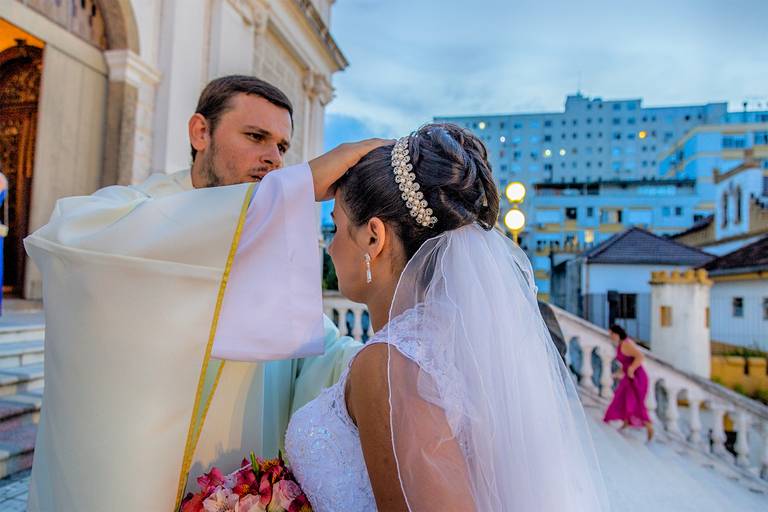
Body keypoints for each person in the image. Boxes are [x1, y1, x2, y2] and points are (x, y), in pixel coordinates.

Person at [24, 75, 383, 511]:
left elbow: (313, 349)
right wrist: (300, 184)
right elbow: (64, 237)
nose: (273, 159)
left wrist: (383, 360)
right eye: (256, 136)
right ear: (200, 132)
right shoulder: (131, 213)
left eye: (283, 148)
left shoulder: (273, 240)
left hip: (234, 489)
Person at [285, 124, 609, 511]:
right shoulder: (459, 344)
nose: (331, 245)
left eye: (335, 226)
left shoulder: (390, 364)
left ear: (374, 236)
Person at [603, 323, 654, 441]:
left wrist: (631, 369)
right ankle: (625, 423)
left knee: (636, 402)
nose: (610, 336)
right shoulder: (622, 344)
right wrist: (619, 373)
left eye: (611, 334)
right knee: (621, 398)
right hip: (629, 377)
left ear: (616, 334)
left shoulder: (626, 344)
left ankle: (649, 426)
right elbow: (626, 362)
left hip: (637, 378)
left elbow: (640, 356)